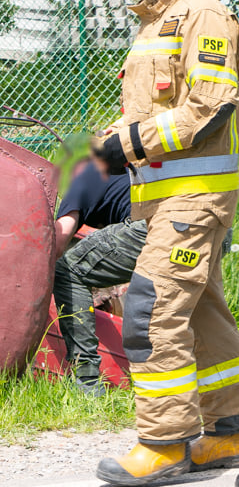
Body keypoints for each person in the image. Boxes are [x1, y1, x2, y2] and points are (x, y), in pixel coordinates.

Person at [91, 0, 239, 485]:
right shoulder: (155, 20)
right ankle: (231, 430)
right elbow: (151, 110)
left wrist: (129, 145)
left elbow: (210, 106)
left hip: (195, 200)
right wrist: (108, 143)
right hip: (168, 202)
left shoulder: (201, 12)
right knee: (202, 313)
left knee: (149, 310)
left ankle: (165, 443)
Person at [53, 160, 147, 397]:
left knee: (68, 271)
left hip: (151, 226)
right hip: (207, 226)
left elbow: (60, 239)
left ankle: (87, 381)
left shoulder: (83, 178)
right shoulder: (126, 170)